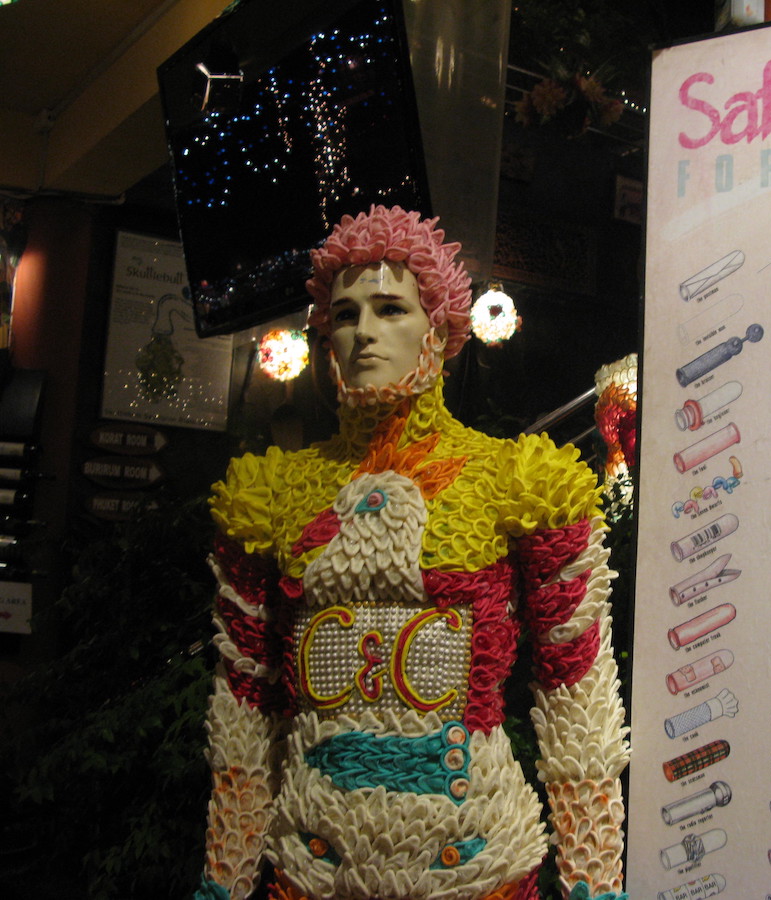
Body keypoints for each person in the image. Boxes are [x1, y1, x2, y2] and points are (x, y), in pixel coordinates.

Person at [195, 206, 629, 900]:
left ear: (441, 328)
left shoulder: (517, 480)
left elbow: (576, 688)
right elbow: (246, 704)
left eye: (391, 308)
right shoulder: (269, 495)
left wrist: (595, 880)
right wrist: (225, 877)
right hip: (311, 865)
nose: (364, 332)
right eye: (344, 315)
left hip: (477, 862)